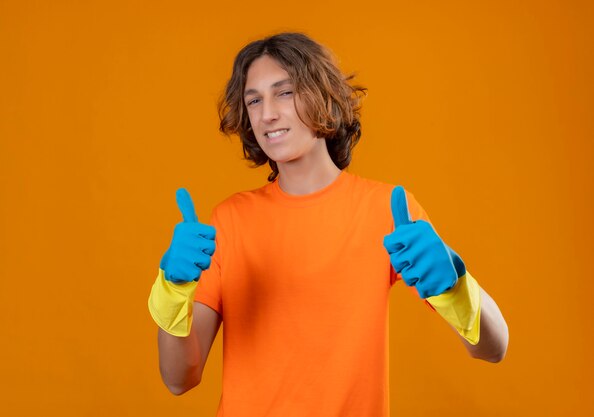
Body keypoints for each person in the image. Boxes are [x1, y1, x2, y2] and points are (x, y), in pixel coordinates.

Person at [148, 32, 509, 417]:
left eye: (284, 93)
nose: (267, 113)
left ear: (324, 97)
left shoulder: (387, 210)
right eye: (254, 100)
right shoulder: (229, 220)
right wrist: (172, 291)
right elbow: (178, 379)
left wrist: (456, 288)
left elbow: (493, 347)